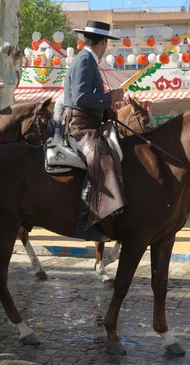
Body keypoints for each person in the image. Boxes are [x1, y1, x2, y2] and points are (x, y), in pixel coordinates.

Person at [63, 20, 125, 242]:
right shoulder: (85, 61)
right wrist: (110, 97)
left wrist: (106, 109)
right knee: (102, 159)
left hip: (89, 121)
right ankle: (83, 221)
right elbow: (80, 98)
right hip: (80, 125)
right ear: (103, 42)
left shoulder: (88, 60)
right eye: (107, 43)